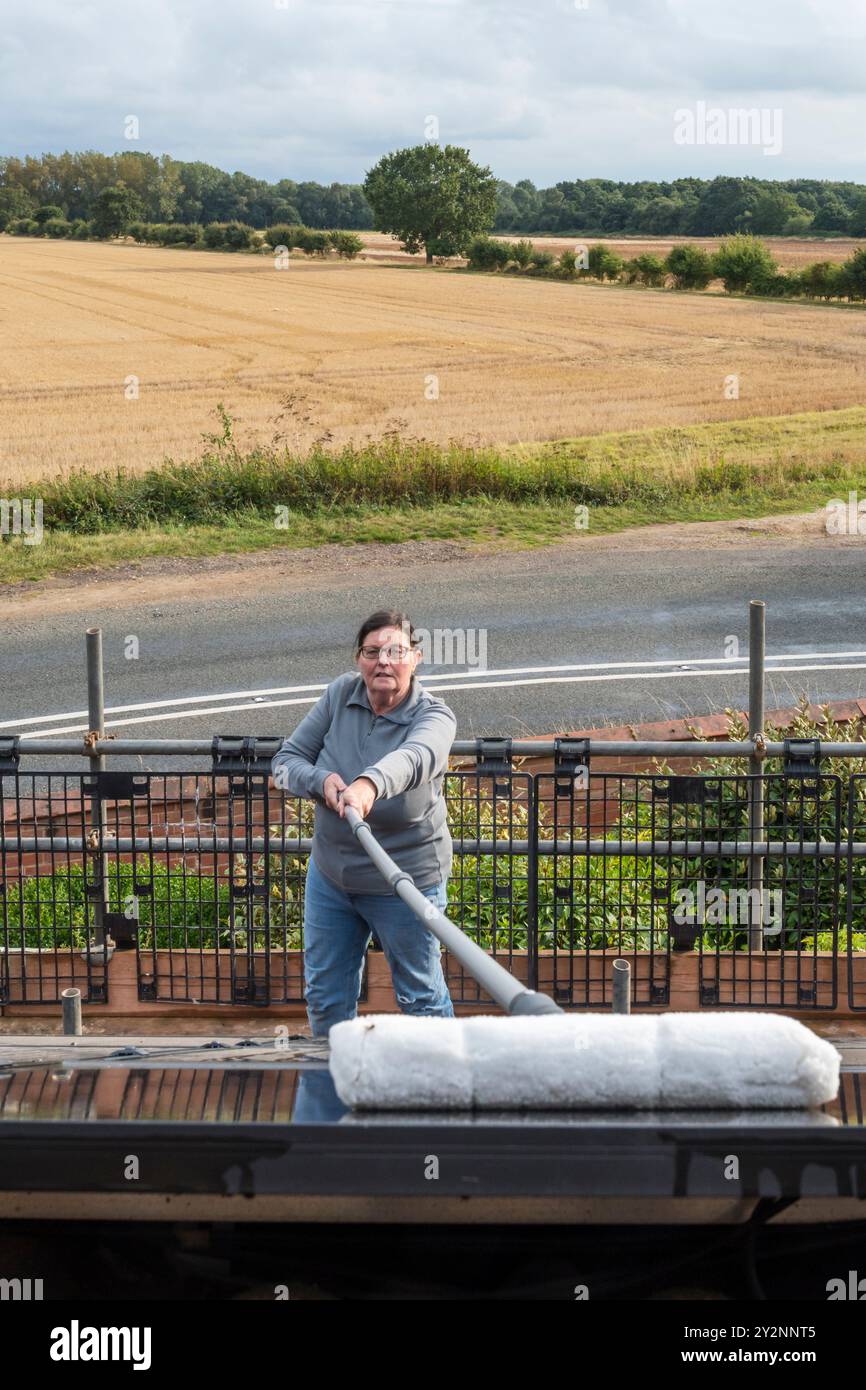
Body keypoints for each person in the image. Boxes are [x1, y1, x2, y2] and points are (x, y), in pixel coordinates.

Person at [271, 609, 457, 1037]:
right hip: (332, 880)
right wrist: (320, 782)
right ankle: (336, 1077)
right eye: (372, 652)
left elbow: (414, 759)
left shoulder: (435, 716)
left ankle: (442, 1085)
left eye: (396, 652)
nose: (383, 662)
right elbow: (284, 764)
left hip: (405, 885)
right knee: (325, 994)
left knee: (419, 995)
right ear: (359, 659)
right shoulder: (340, 694)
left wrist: (368, 786)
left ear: (416, 658)